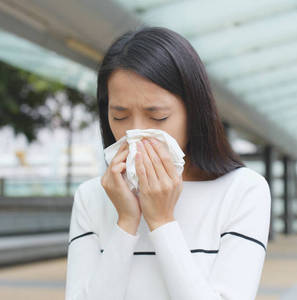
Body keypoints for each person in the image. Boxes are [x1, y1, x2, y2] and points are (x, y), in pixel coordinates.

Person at [64, 26, 271, 300]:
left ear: (194, 112)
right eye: (120, 116)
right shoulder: (92, 198)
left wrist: (161, 221)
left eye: (158, 117)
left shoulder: (244, 191)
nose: (134, 133)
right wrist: (126, 222)